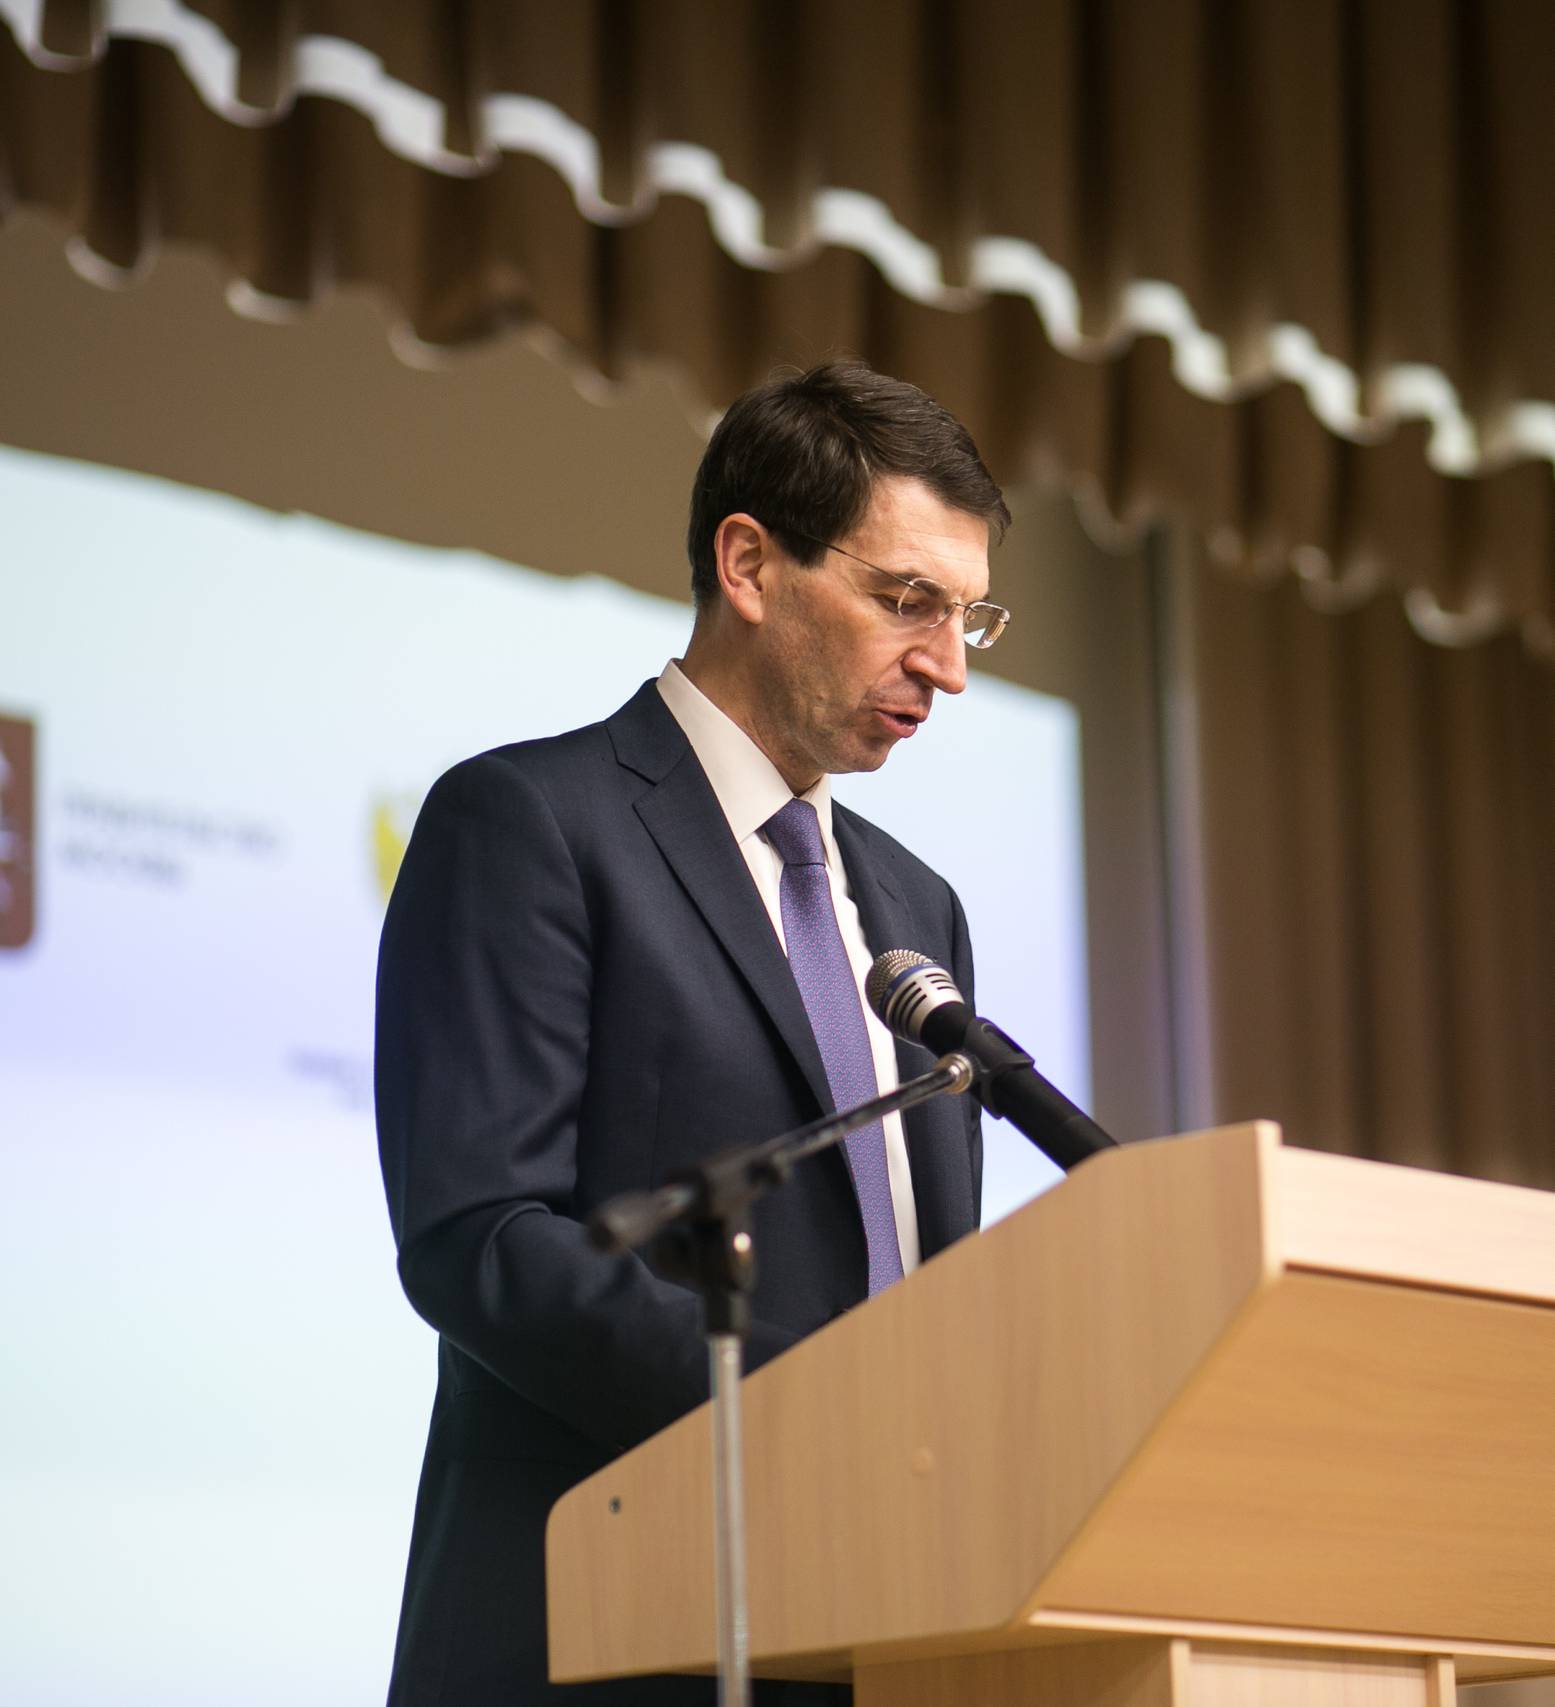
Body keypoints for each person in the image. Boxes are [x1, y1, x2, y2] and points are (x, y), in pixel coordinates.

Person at [375, 359, 1013, 1703]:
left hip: (892, 1644)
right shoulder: (533, 825)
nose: (946, 669)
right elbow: (482, 1238)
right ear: (749, 563)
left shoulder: (919, 909)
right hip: (608, 1644)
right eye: (908, 602)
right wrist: (816, 1433)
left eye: (967, 618)